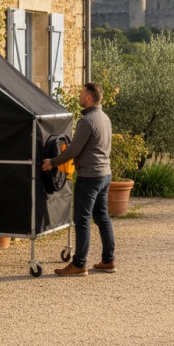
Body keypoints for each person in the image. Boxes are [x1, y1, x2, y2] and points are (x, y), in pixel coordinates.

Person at [42, 82, 116, 276]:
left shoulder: (87, 121)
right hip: (104, 174)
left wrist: (54, 162)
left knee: (82, 220)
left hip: (89, 177)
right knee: (102, 217)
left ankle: (79, 264)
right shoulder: (105, 118)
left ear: (89, 98)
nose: (80, 96)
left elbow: (74, 149)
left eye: (82, 93)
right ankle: (109, 261)